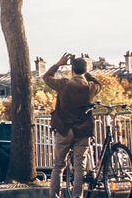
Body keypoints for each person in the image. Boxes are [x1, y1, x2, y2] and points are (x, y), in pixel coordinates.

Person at [44, 53, 101, 196]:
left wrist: (58, 64)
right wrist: (86, 73)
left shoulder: (64, 84)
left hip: (64, 129)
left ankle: (54, 195)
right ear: (85, 70)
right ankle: (77, 195)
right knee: (80, 166)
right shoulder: (90, 87)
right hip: (83, 130)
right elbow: (98, 84)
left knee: (58, 166)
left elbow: (46, 77)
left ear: (72, 70)